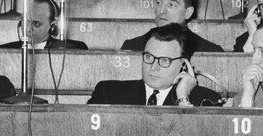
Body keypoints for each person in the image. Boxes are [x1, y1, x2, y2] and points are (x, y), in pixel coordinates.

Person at [89, 23, 222, 106]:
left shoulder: (206, 100)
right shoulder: (108, 94)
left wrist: (182, 98)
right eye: (149, 57)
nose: (153, 67)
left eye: (164, 60)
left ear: (183, 65)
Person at [121, 0, 223, 52]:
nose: (161, 11)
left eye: (171, 5)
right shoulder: (132, 47)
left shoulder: (208, 50)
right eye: (159, 2)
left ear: (188, 12)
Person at [0, 0, 87, 50]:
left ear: (53, 26)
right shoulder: (2, 52)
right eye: (25, 21)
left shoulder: (71, 51)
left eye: (36, 23)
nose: (28, 29)